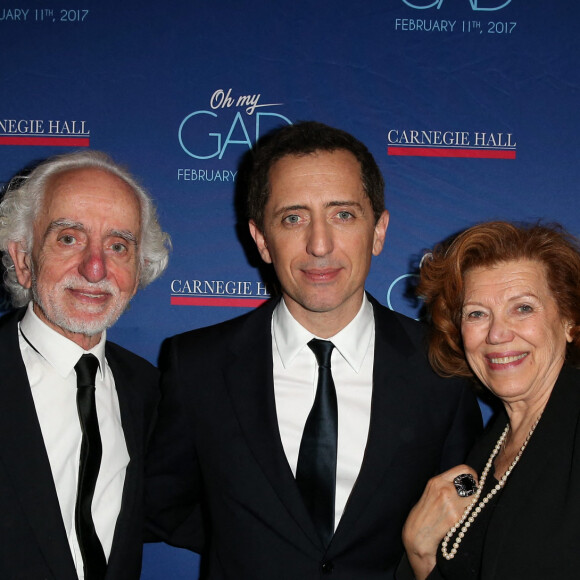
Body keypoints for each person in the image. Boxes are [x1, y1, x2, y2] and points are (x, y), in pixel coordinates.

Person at [145, 121, 482, 579]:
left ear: (379, 231)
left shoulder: (441, 365)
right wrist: (246, 543)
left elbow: (462, 518)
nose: (319, 245)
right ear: (262, 239)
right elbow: (163, 502)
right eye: (293, 218)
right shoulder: (197, 365)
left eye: (343, 215)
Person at [0, 150, 171, 580]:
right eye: (68, 238)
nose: (96, 268)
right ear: (23, 261)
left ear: (139, 269)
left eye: (118, 246)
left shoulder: (150, 391)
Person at [399, 221, 580, 579]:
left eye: (523, 308)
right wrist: (421, 552)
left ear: (569, 322)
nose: (497, 334)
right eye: (477, 314)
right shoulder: (489, 444)